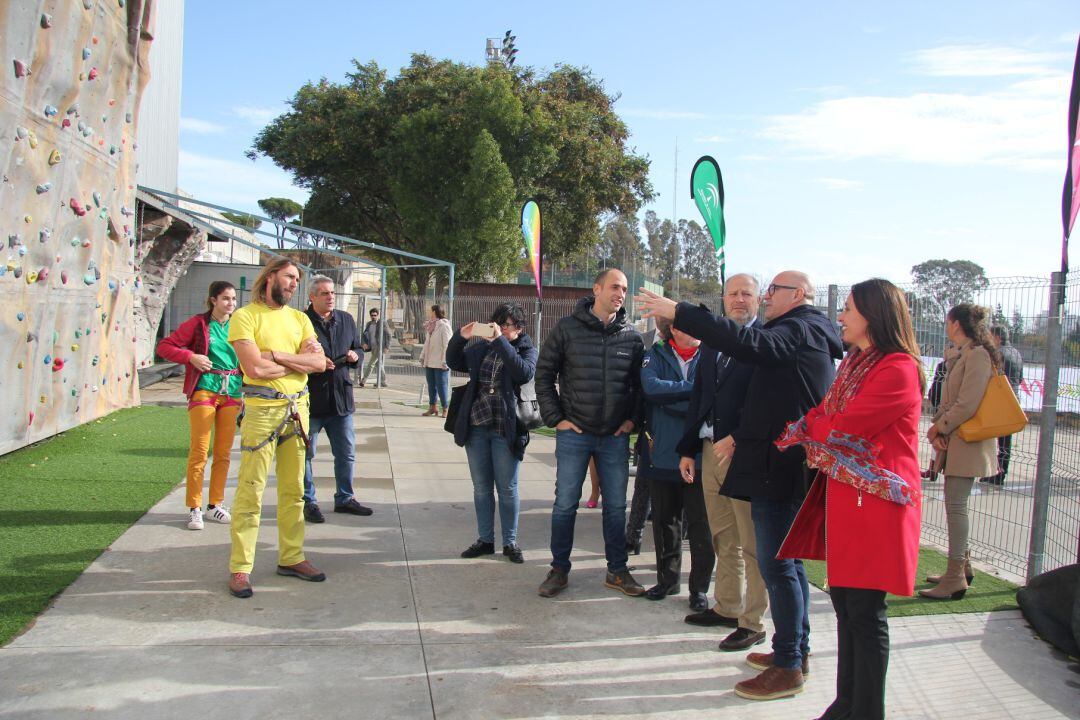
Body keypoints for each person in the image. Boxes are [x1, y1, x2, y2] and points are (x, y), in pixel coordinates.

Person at [636, 270, 843, 702]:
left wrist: (681, 312)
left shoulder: (796, 330)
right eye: (747, 292)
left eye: (768, 291)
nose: (762, 297)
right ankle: (792, 650)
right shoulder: (794, 330)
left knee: (775, 563)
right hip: (765, 460)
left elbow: (751, 350)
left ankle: (787, 660)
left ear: (799, 295)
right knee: (777, 560)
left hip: (775, 466)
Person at [775, 278, 925, 720]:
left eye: (848, 310)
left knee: (865, 612)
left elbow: (845, 425)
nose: (840, 317)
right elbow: (826, 414)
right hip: (849, 501)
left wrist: (814, 427)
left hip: (877, 507)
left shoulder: (897, 368)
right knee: (845, 607)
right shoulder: (857, 364)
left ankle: (867, 710)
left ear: (874, 315)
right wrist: (817, 424)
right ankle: (847, 702)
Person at [535, 268, 646, 598]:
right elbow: (543, 376)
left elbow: (640, 388)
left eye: (625, 289)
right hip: (574, 433)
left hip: (614, 437)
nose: (621, 294)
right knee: (565, 504)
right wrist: (557, 419)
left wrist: (631, 422)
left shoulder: (632, 336)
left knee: (616, 507)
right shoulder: (567, 329)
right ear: (596, 289)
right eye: (615, 286)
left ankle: (617, 570)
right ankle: (558, 569)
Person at [676, 273, 769, 653]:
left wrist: (740, 437)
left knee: (751, 542)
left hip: (743, 454)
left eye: (747, 293)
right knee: (723, 536)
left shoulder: (763, 342)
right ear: (723, 299)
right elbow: (701, 396)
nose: (739, 299)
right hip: (710, 451)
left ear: (758, 300)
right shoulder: (714, 343)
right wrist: (687, 448)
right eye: (733, 293)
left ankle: (753, 621)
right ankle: (728, 606)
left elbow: (765, 402)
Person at [226, 258, 329, 598]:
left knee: (294, 492)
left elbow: (318, 363)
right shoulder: (245, 317)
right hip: (261, 414)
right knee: (251, 492)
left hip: (297, 414)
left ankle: (291, 557)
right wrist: (294, 360)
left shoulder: (300, 319)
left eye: (297, 279)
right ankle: (241, 568)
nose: (293, 284)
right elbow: (253, 368)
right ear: (270, 276)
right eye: (289, 277)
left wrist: (277, 356)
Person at [446, 303, 538, 564]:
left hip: (505, 428)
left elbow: (523, 372)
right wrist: (460, 337)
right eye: (497, 323)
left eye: (506, 324)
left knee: (507, 488)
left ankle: (510, 542)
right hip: (477, 425)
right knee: (481, 488)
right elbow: (453, 361)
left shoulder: (526, 350)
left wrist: (501, 342)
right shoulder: (480, 348)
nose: (500, 328)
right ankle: (485, 540)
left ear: (519, 328)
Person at [920, 303, 999, 599]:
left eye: (947, 321)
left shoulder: (977, 355)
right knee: (954, 505)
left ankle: (955, 577)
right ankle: (961, 567)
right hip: (956, 439)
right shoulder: (963, 354)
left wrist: (938, 427)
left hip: (968, 441)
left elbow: (968, 403)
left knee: (955, 506)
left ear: (955, 324)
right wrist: (941, 430)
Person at [637, 316, 713, 610]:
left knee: (700, 526)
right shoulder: (653, 355)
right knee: (665, 521)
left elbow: (713, 396)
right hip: (663, 451)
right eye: (686, 326)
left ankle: (699, 590)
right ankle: (667, 581)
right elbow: (652, 389)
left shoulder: (711, 356)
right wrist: (695, 394)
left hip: (699, 456)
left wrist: (674, 397)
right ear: (675, 330)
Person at [156, 281, 243, 530]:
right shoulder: (199, 323)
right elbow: (165, 346)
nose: (231, 304)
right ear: (213, 300)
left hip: (232, 391)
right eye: (226, 298)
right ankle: (194, 508)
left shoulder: (240, 325)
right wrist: (191, 357)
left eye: (234, 299)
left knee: (224, 452)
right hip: (205, 388)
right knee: (200, 450)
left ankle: (215, 505)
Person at [301, 275, 372, 524]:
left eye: (332, 293)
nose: (330, 297)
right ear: (312, 297)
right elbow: (292, 356)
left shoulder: (346, 319)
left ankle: (344, 498)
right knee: (305, 454)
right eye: (324, 293)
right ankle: (308, 502)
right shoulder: (301, 321)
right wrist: (314, 363)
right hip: (310, 401)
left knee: (346, 453)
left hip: (341, 399)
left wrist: (356, 355)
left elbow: (360, 349)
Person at [981, 325, 1024, 485]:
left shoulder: (997, 354)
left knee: (991, 439)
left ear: (997, 338)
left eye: (990, 336)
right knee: (1005, 441)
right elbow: (1020, 379)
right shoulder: (1016, 353)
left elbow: (991, 378)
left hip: (1000, 401)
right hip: (1014, 401)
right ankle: (1000, 472)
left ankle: (995, 472)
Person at [420, 304, 453, 417]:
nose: (430, 313)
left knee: (442, 386)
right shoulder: (431, 325)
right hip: (430, 361)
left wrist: (445, 360)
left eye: (431, 311)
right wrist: (422, 356)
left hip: (440, 363)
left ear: (435, 312)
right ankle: (432, 407)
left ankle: (445, 408)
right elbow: (426, 343)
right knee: (431, 385)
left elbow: (447, 345)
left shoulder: (444, 326)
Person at [361, 307, 392, 388]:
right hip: (373, 347)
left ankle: (364, 380)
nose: (373, 317)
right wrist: (364, 343)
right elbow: (364, 335)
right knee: (379, 364)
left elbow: (389, 335)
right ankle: (383, 381)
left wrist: (387, 347)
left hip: (380, 347)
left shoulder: (382, 323)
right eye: (372, 315)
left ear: (378, 315)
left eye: (375, 315)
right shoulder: (369, 324)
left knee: (371, 363)